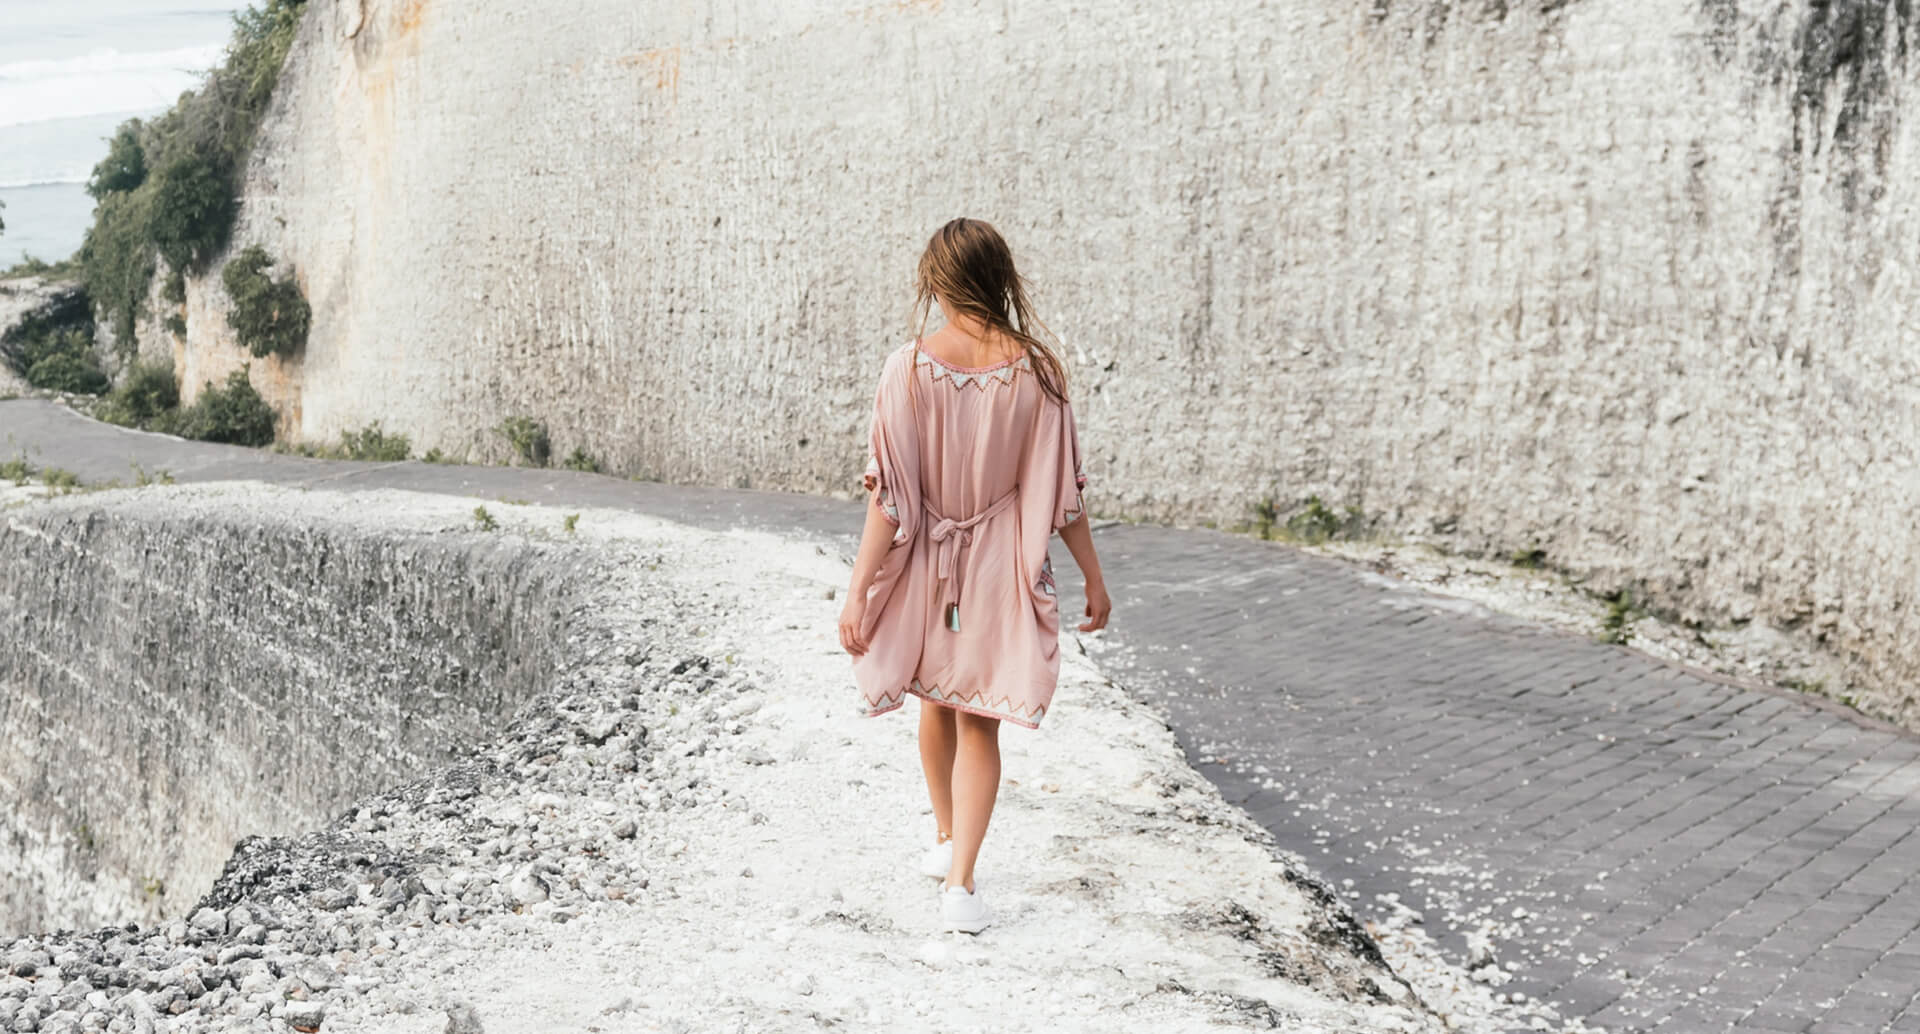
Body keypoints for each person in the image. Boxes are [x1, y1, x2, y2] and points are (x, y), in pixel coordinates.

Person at [837, 217, 1112, 934]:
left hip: (928, 558)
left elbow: (888, 499)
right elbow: (1063, 494)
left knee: (937, 697)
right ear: (999, 278)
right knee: (975, 715)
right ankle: (958, 878)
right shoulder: (1040, 373)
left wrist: (859, 590)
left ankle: (949, 848)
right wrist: (1093, 577)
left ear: (937, 282)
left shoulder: (907, 369)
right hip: (999, 563)